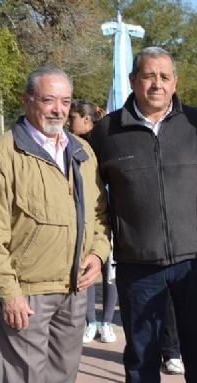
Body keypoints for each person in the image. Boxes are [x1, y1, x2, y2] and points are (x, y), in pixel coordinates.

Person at [88, 46, 197, 383]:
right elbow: (93, 198)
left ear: (176, 82)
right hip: (137, 263)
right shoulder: (106, 131)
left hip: (195, 260)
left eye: (165, 76)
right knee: (142, 353)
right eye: (149, 76)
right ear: (133, 80)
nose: (157, 84)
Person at [0, 66, 110, 383]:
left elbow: (98, 214)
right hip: (26, 292)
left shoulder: (82, 151)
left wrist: (97, 253)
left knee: (60, 381)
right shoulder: (2, 154)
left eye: (65, 101)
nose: (58, 110)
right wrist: (7, 291)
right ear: (27, 100)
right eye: (49, 100)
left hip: (75, 288)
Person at [69, 99, 119, 344]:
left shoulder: (103, 142)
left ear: (86, 119)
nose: (69, 123)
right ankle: (91, 321)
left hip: (110, 214)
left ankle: (107, 322)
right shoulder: (70, 145)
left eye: (73, 118)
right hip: (87, 216)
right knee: (87, 268)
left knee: (110, 271)